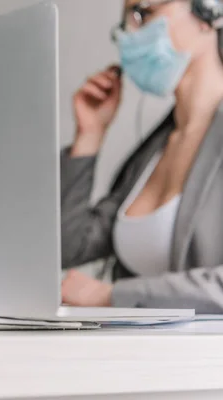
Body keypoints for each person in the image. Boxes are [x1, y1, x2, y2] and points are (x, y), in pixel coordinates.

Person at [60, 0, 223, 314]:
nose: (129, 36)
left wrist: (112, 295)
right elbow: (69, 246)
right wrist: (89, 136)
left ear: (208, 12)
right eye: (125, 23)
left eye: (142, 13)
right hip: (139, 359)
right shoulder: (156, 150)